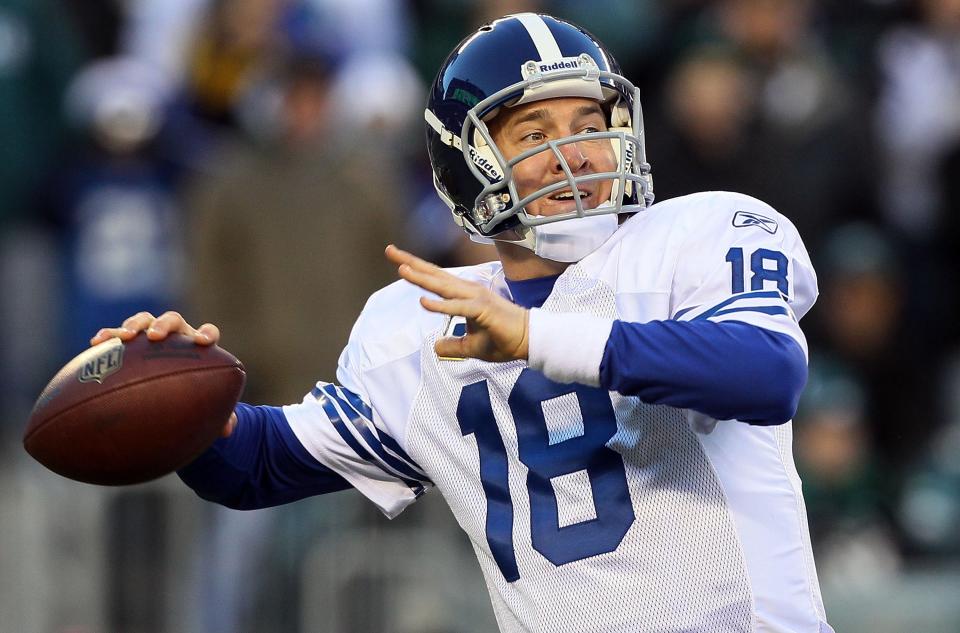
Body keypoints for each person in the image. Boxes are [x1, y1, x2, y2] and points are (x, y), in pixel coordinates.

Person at [92, 13, 832, 633]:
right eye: (534, 131)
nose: (573, 151)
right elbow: (257, 464)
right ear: (467, 164)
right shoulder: (417, 323)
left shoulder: (695, 237)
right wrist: (179, 400)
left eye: (588, 121)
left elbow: (764, 372)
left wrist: (535, 337)